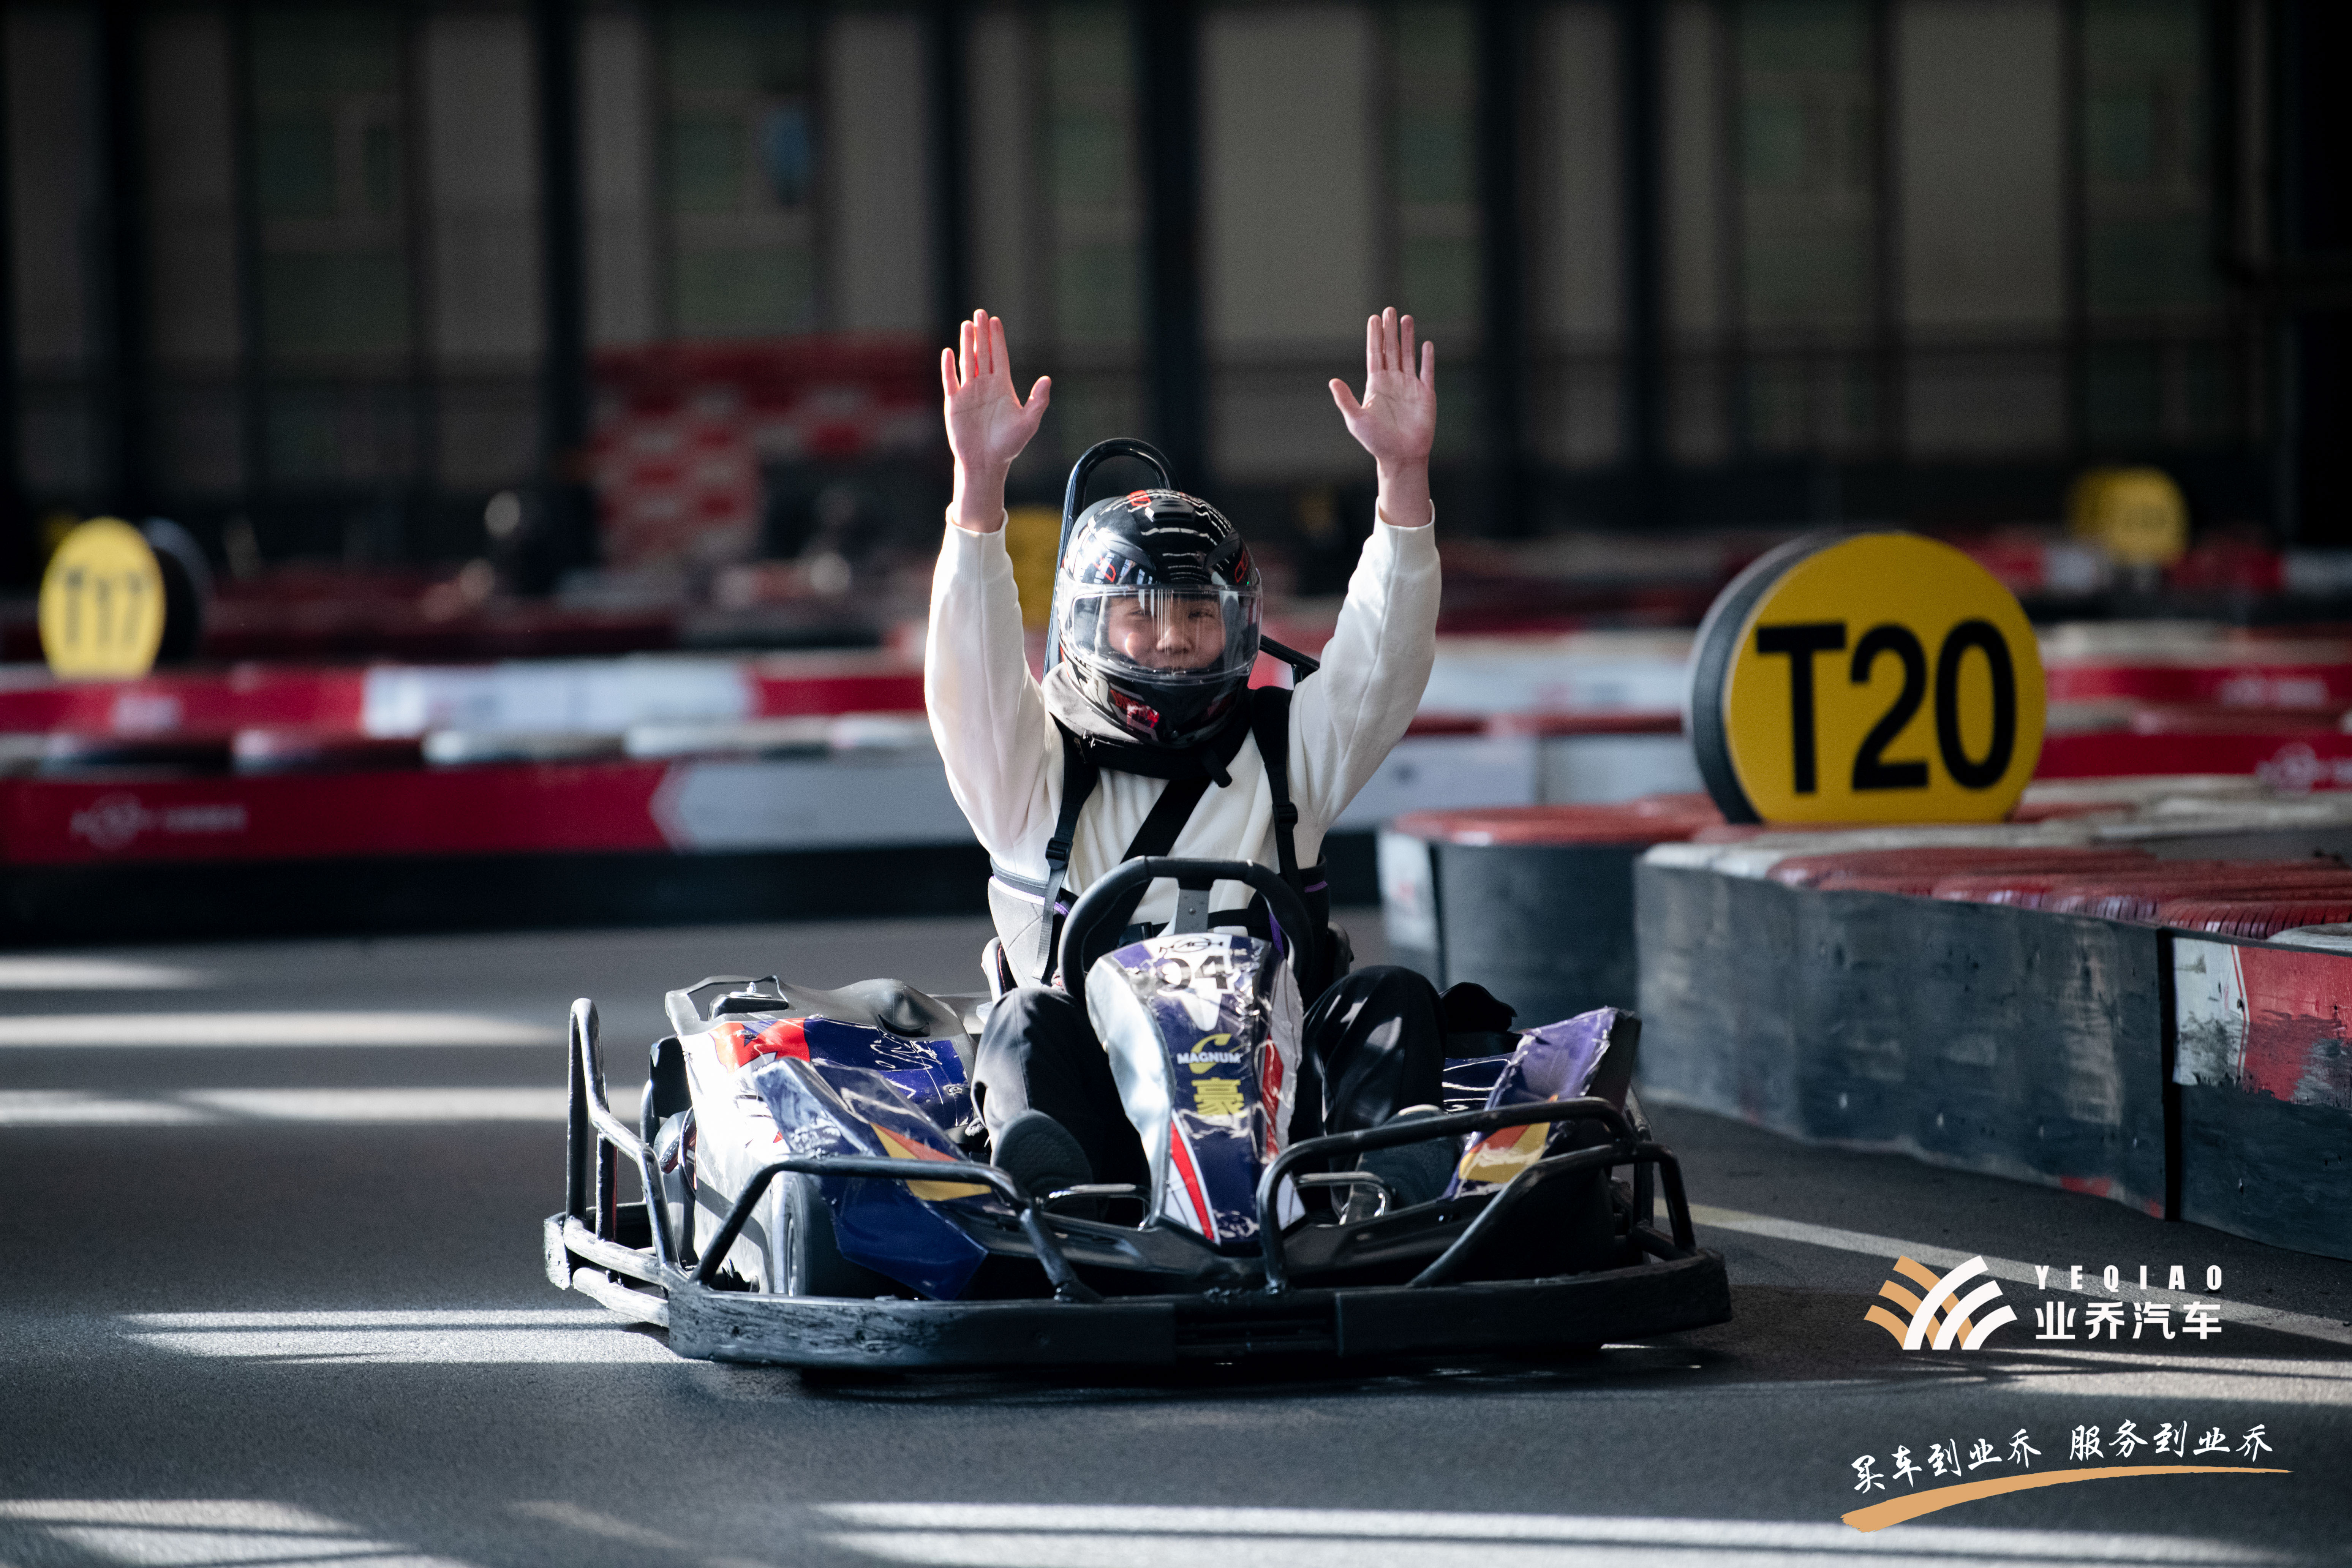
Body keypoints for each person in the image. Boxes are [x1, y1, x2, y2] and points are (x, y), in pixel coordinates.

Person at [926, 306, 1456, 1201]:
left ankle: (1385, 1193)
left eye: (1200, 615)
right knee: (1027, 1017)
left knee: (1392, 995)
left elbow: (1385, 657)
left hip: (1284, 1107)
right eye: (1143, 616)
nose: (1174, 639)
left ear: (1239, 625)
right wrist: (979, 490)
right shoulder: (1031, 768)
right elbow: (968, 670)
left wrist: (1402, 478)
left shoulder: (1289, 752)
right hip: (1099, 1123)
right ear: (1089, 628)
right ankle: (1049, 1197)